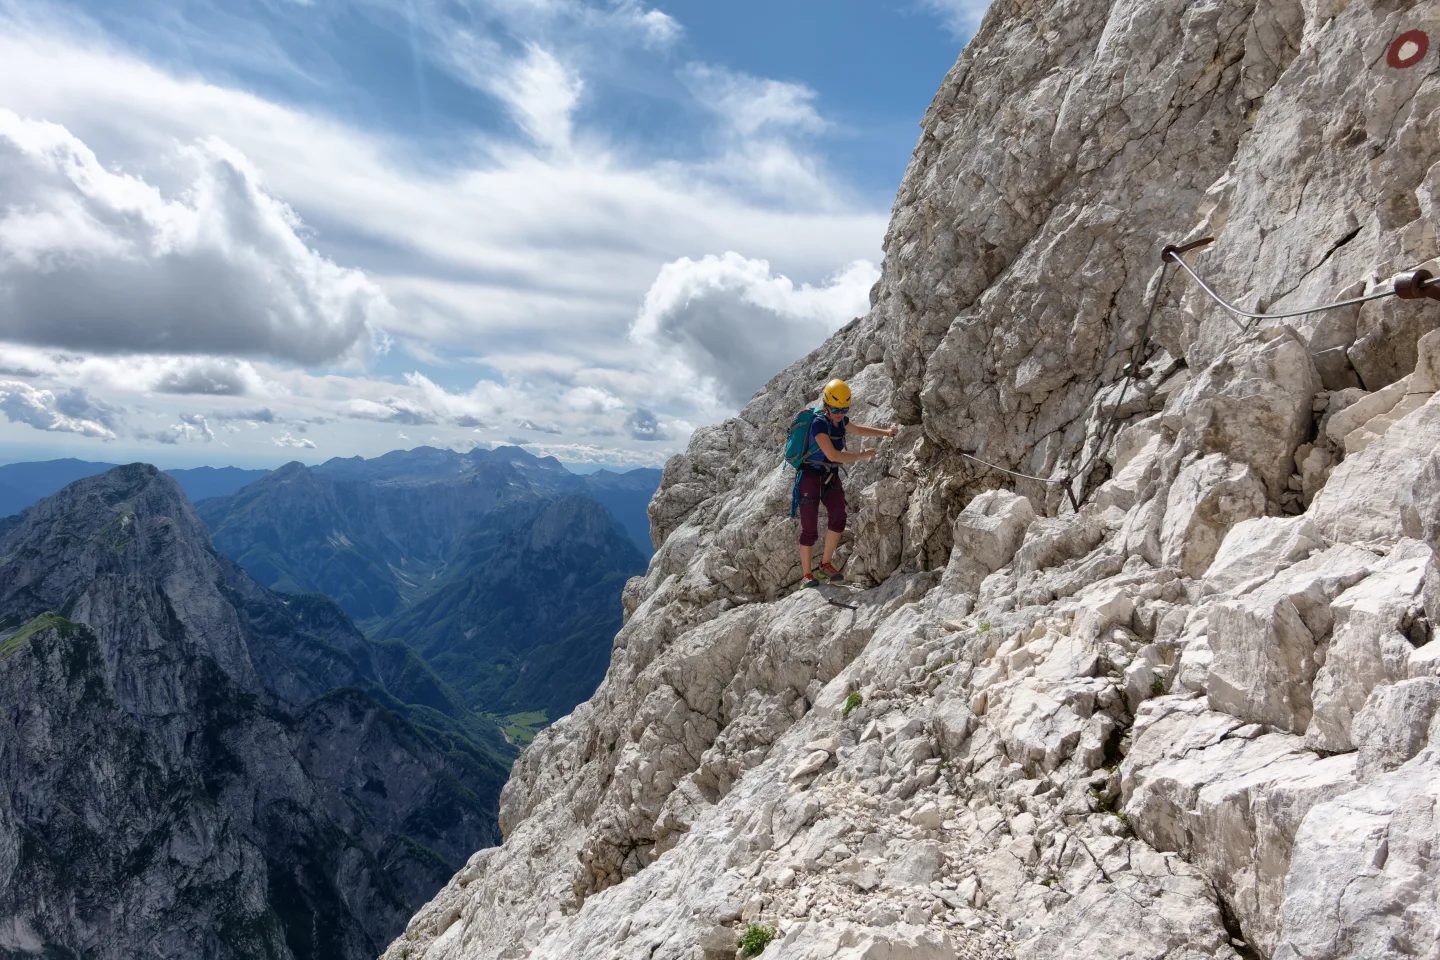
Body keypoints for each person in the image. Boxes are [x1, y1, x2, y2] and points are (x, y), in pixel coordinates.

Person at [793, 378, 899, 589]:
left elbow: (859, 429)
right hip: (810, 476)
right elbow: (832, 454)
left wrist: (886, 432)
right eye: (836, 408)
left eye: (844, 408)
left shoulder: (840, 421)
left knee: (839, 517)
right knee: (809, 528)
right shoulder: (818, 424)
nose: (841, 412)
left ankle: (825, 564)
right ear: (827, 406)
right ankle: (807, 576)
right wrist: (862, 455)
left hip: (829, 475)